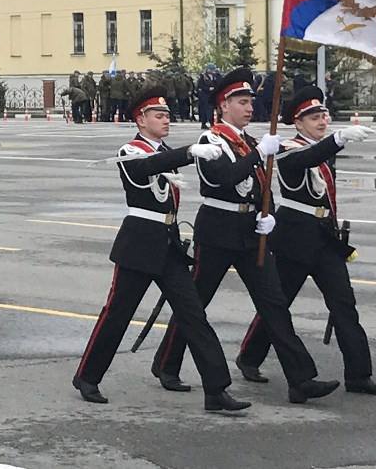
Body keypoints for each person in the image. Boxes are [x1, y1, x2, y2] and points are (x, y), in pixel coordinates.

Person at [150, 67, 340, 404]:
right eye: (241, 101)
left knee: (275, 305)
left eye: (251, 101)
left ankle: (300, 379)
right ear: (223, 106)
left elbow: (258, 188)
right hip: (218, 232)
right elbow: (221, 178)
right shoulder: (212, 140)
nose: (250, 107)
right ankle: (167, 364)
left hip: (251, 233)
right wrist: (258, 154)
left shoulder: (250, 140)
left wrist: (268, 218)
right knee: (195, 304)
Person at [73, 86, 249, 411]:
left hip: (167, 243)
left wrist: (188, 154)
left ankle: (216, 390)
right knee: (118, 316)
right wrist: (188, 152)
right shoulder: (130, 150)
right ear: (141, 119)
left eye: (168, 114)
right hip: (139, 242)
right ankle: (87, 376)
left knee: (194, 314)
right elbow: (144, 168)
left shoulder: (166, 150)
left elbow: (168, 161)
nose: (166, 119)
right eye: (159, 115)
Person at [235, 86, 376, 396]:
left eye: (323, 115)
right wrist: (338, 139)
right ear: (297, 122)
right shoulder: (288, 149)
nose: (321, 121)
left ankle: (359, 375)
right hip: (294, 238)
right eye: (313, 117)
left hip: (324, 237)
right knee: (278, 305)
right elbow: (304, 160)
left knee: (344, 305)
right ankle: (250, 356)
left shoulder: (320, 149)